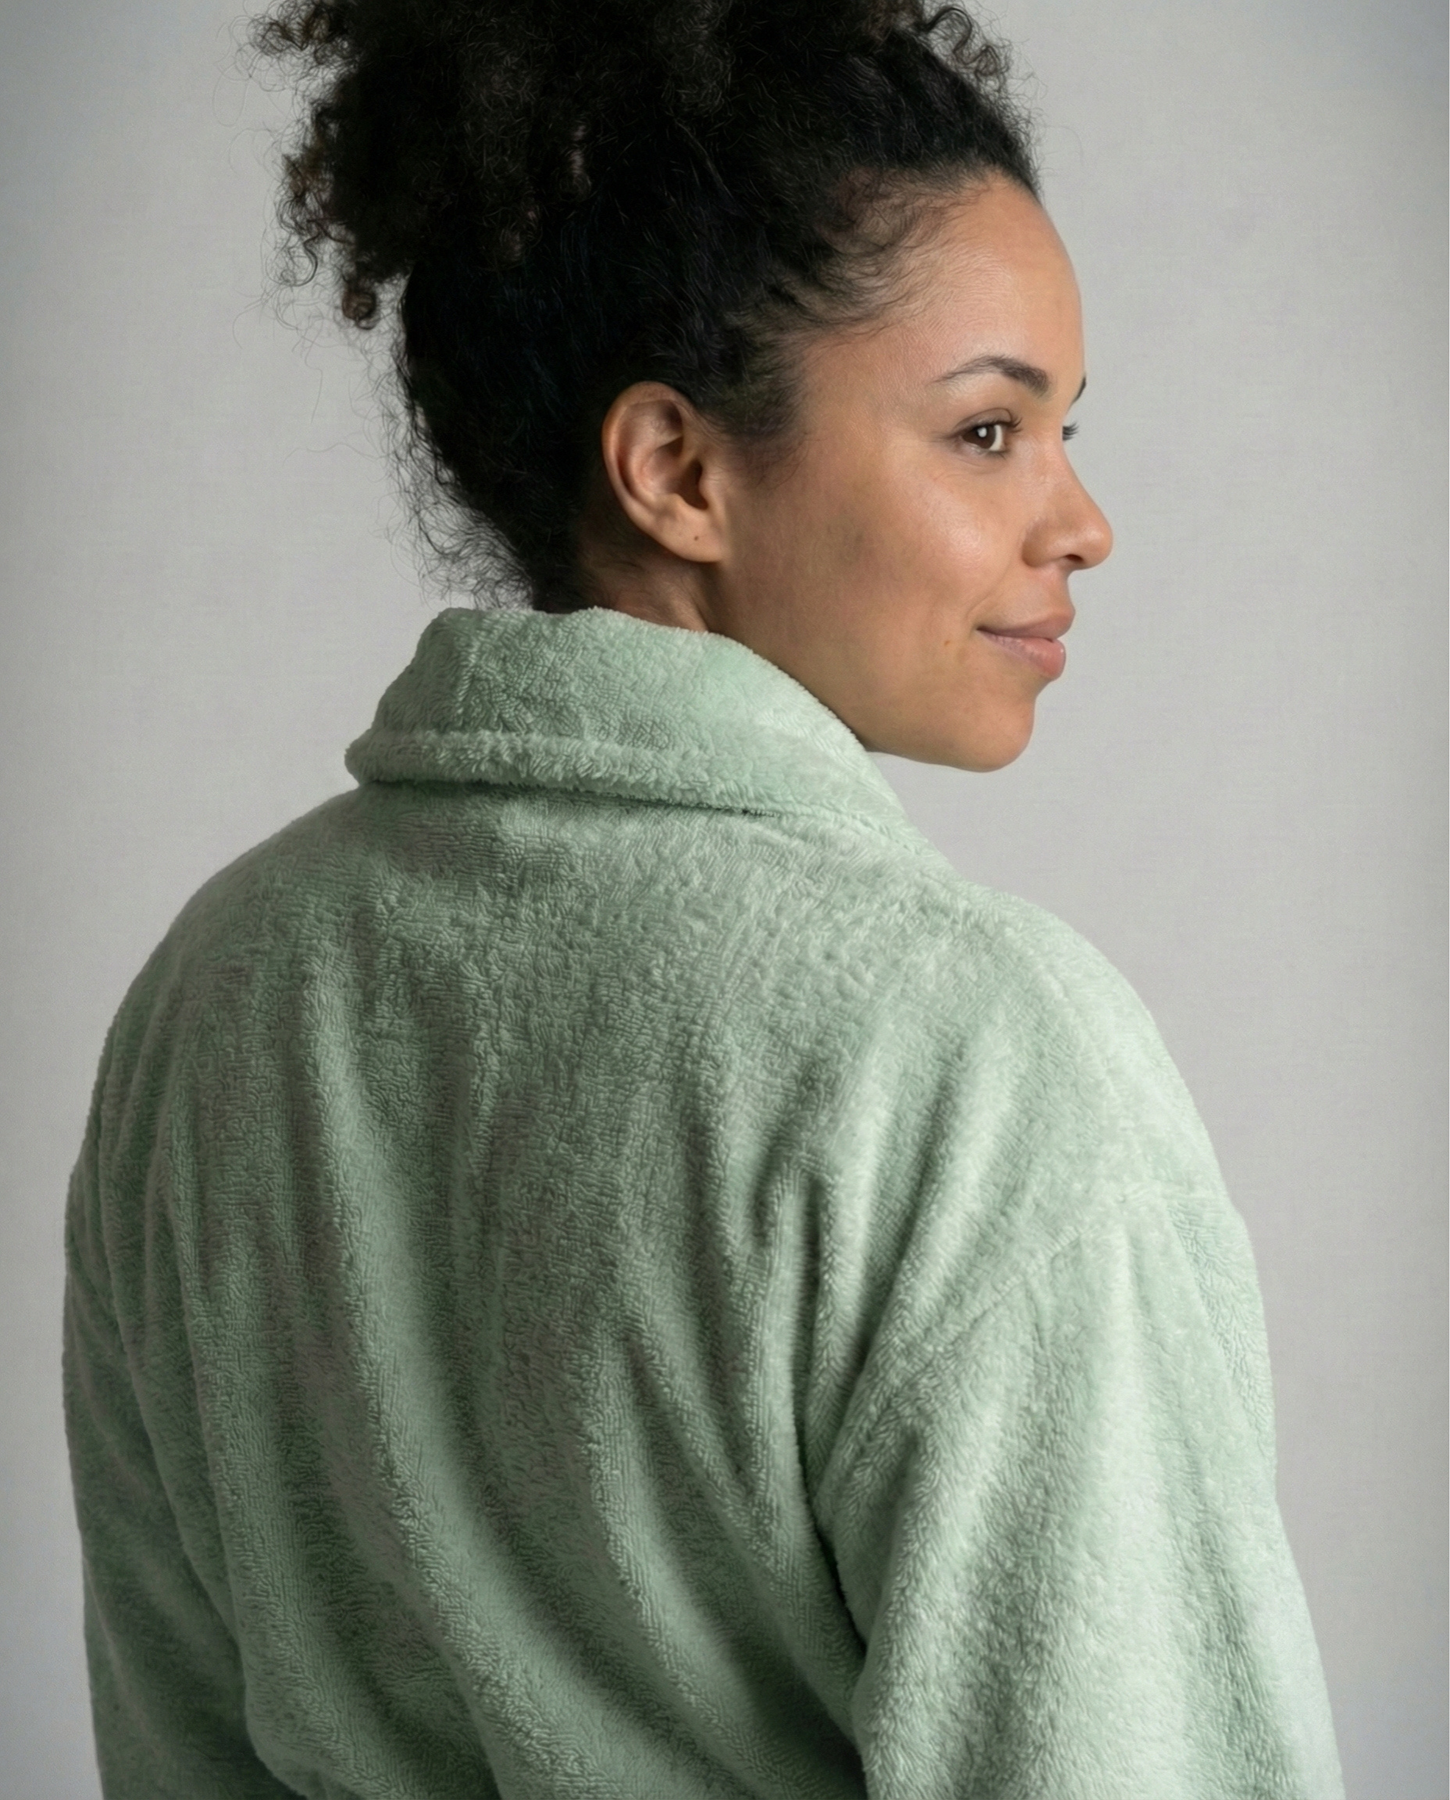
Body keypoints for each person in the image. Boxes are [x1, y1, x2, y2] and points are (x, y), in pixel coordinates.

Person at [61, 1, 1346, 1795]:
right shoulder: (969, 1053)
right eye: (988, 432)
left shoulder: (221, 987)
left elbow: (176, 1733)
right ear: (677, 471)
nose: (1081, 522)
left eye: (1063, 430)